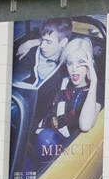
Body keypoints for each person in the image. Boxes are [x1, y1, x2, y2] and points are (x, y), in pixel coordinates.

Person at [33, 36, 101, 164]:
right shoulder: (63, 82)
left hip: (71, 150)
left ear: (89, 64)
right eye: (70, 63)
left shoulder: (96, 90)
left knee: (45, 138)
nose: (74, 68)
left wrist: (94, 82)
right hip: (46, 138)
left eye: (80, 62)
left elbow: (85, 125)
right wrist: (32, 42)